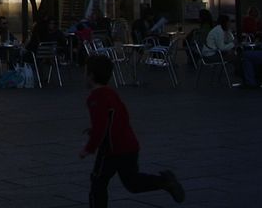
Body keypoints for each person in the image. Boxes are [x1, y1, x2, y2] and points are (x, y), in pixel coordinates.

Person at [79, 54, 185, 206]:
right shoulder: (111, 93)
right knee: (132, 183)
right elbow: (120, 116)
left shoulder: (95, 98)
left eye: (85, 72)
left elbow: (101, 126)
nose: (83, 76)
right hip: (129, 146)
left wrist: (88, 148)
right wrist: (99, 129)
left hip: (111, 150)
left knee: (98, 182)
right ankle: (165, 182)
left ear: (91, 76)